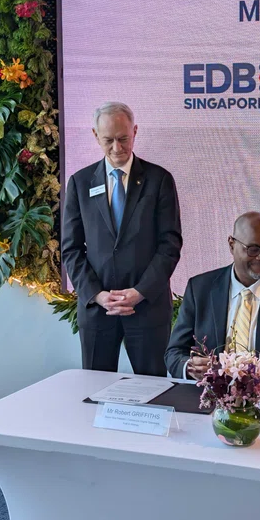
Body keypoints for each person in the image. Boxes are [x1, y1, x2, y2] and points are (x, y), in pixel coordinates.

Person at [61, 102, 182, 376]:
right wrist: (97, 295)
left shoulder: (159, 180)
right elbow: (71, 249)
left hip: (148, 309)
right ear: (95, 136)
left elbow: (170, 245)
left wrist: (139, 293)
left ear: (135, 131)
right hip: (97, 309)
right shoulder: (80, 183)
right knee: (94, 391)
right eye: (108, 140)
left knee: (154, 393)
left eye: (123, 138)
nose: (117, 148)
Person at [165, 212, 260, 390]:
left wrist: (256, 374)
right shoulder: (200, 289)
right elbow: (174, 353)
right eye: (253, 250)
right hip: (208, 395)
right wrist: (190, 367)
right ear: (232, 244)